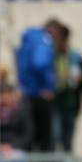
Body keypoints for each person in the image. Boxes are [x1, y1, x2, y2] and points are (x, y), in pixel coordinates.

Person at [17, 19, 61, 154]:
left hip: (27, 91)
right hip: (39, 93)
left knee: (29, 132)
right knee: (45, 134)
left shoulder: (28, 41)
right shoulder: (44, 39)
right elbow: (40, 63)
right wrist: (47, 86)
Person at [51, 24, 82, 153]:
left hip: (70, 103)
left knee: (68, 139)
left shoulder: (75, 56)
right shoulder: (51, 55)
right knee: (55, 135)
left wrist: (80, 79)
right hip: (55, 102)